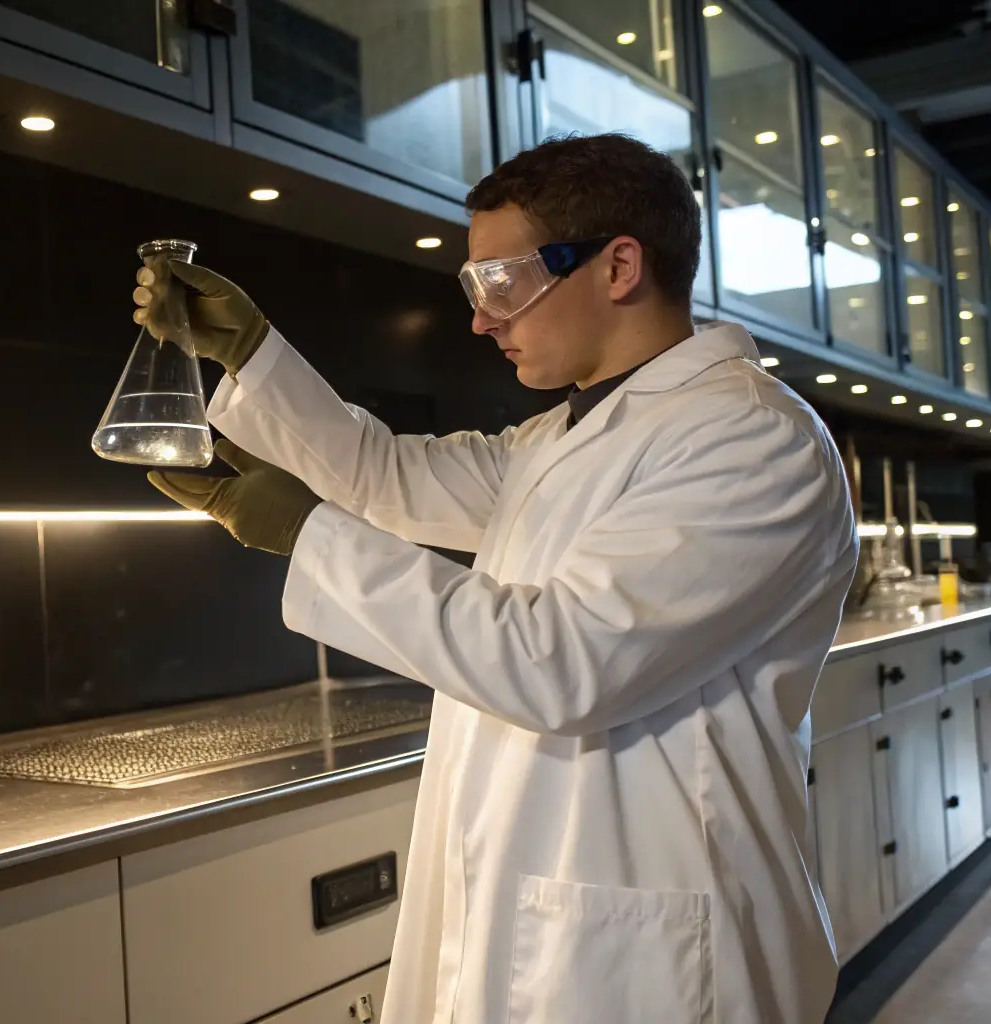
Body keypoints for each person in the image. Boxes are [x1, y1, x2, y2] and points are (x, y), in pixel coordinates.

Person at [134, 132, 856, 1023]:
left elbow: (564, 661)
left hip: (661, 944)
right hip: (548, 905)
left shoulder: (752, 437)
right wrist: (250, 352)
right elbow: (387, 476)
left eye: (500, 282)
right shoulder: (559, 439)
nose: (482, 319)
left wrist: (305, 532)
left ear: (619, 265)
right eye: (474, 288)